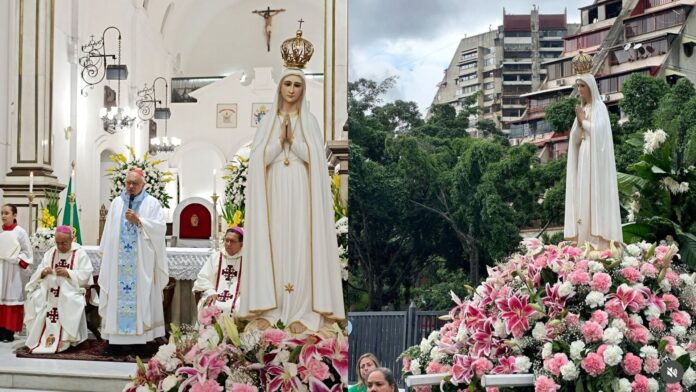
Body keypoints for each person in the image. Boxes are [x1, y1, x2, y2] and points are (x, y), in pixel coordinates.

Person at [238, 67, 345, 334]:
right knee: (274, 244)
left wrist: (293, 143)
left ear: (303, 90)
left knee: (300, 245)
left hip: (300, 191)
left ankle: (304, 311)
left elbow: (317, 162)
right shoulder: (267, 122)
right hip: (273, 190)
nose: (292, 89)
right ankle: (271, 311)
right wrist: (278, 143)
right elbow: (257, 161)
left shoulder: (309, 122)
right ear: (280, 87)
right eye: (287, 83)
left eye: (297, 85)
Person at [99, 168, 168, 355]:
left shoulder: (152, 204)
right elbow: (109, 233)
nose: (130, 186)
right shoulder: (116, 203)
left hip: (141, 263)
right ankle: (115, 342)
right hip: (118, 264)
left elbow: (160, 229)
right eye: (128, 182)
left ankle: (141, 342)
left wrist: (139, 221)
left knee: (141, 296)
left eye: (134, 183)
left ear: (143, 184)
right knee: (116, 296)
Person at [564, 52, 622, 250]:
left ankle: (598, 240)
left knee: (593, 195)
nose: (579, 90)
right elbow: (573, 139)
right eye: (578, 86)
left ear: (590, 87)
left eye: (582, 86)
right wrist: (579, 124)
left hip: (596, 160)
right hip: (583, 157)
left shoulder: (599, 108)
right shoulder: (584, 109)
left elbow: (601, 133)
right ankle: (583, 240)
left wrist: (583, 122)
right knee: (582, 196)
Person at [24, 225, 93, 353]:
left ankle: (70, 339)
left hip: (71, 290)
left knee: (72, 301)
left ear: (71, 240)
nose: (60, 246)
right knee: (35, 298)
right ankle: (40, 337)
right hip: (49, 290)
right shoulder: (51, 252)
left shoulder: (79, 254)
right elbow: (39, 271)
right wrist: (44, 272)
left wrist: (68, 273)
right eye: (58, 243)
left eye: (64, 243)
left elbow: (86, 274)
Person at [192, 227, 244, 317]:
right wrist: (211, 292)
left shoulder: (247, 260)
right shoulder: (216, 257)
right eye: (226, 240)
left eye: (232, 241)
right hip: (215, 294)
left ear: (241, 244)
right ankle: (209, 332)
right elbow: (203, 278)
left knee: (239, 308)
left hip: (239, 297)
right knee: (210, 306)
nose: (228, 244)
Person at [0, 204, 32, 342]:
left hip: (13, 271)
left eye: (6, 213)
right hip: (1, 268)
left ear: (14, 215)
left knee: (12, 300)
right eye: (2, 213)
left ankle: (9, 332)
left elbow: (27, 252)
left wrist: (16, 259)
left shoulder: (20, 232)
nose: (3, 216)